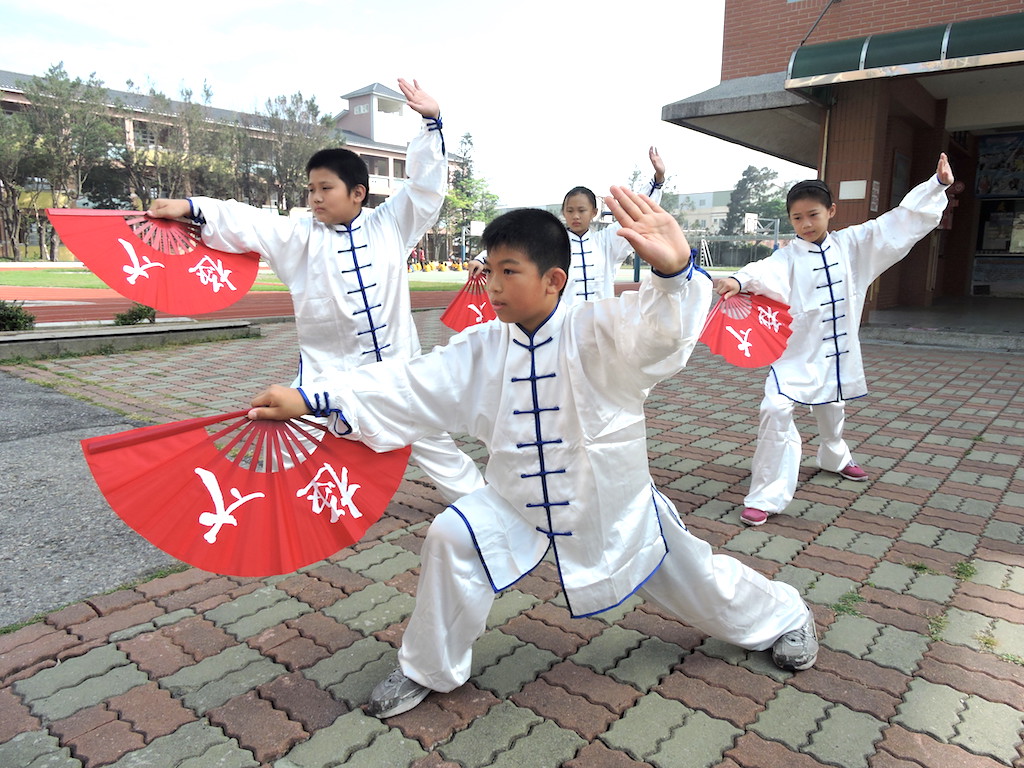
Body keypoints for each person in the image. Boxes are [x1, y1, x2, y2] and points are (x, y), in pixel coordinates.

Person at [247, 186, 818, 719]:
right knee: (452, 537)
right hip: (517, 502)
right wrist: (310, 397)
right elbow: (411, 383)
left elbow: (660, 336)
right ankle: (428, 668)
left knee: (699, 581)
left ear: (552, 280)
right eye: (489, 270)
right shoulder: (483, 347)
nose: (492, 286)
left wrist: (673, 275)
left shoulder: (599, 330)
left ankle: (785, 615)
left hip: (612, 508)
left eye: (509, 272)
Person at [147, 78, 483, 504]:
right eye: (311, 189)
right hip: (329, 377)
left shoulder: (391, 225)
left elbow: (425, 189)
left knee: (434, 444)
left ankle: (482, 511)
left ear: (358, 193)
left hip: (399, 373)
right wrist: (194, 207)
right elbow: (249, 221)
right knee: (293, 445)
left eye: (326, 188)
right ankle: (265, 509)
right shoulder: (300, 236)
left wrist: (432, 123)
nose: (316, 198)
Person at [714, 154, 955, 527]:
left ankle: (835, 456)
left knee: (832, 408)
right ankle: (767, 495)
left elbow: (897, 224)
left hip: (838, 354)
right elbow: (763, 271)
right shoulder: (788, 256)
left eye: (813, 214)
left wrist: (936, 186)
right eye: (797, 218)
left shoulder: (854, 245)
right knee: (775, 410)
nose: (805, 224)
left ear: (831, 211)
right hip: (795, 354)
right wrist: (738, 281)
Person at [467, 147, 666, 304]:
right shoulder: (554, 242)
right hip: (565, 324)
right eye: (570, 211)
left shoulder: (607, 240)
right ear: (563, 212)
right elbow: (517, 245)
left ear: (594, 213)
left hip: (602, 324)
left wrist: (657, 180)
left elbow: (635, 213)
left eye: (582, 210)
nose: (575, 216)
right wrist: (482, 258)